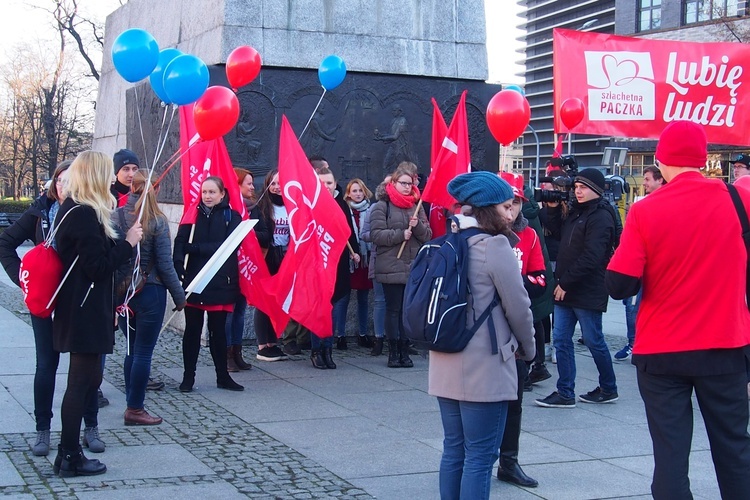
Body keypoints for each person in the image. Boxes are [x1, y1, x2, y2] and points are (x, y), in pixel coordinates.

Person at [607, 120, 750, 499]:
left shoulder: (645, 211)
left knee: (670, 456)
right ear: (703, 159)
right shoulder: (739, 200)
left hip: (662, 352)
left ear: (660, 159)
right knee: (735, 448)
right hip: (726, 345)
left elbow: (620, 284)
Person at [429, 171, 535, 500]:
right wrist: (529, 349)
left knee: (454, 450)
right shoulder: (495, 246)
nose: (510, 212)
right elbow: (519, 307)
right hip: (485, 366)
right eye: (505, 206)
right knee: (479, 457)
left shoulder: (447, 241)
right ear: (488, 208)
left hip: (445, 357)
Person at [52, 150, 143, 477]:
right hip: (83, 311)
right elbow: (97, 267)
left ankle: (67, 454)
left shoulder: (75, 208)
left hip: (82, 307)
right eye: (107, 173)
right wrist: (129, 242)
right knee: (80, 384)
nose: (111, 179)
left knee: (85, 381)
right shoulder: (84, 213)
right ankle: (71, 456)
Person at [0, 160, 73, 456]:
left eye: (70, 181)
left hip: (76, 299)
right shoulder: (39, 211)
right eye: (59, 181)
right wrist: (24, 281)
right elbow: (5, 243)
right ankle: (43, 429)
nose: (63, 186)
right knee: (46, 364)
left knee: (85, 366)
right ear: (53, 184)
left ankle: (89, 426)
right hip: (45, 299)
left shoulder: (88, 210)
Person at [535, 168, 618, 408]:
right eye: (576, 187)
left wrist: (565, 282)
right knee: (561, 340)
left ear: (596, 190)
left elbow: (593, 256)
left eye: (583, 187)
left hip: (586, 288)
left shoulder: (602, 216)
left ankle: (608, 387)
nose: (578, 191)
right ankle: (565, 392)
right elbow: (557, 233)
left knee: (594, 340)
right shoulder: (575, 211)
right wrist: (551, 208)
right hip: (566, 287)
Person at [113, 170, 186, 425]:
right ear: (154, 189)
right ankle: (135, 408)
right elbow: (165, 266)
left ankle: (131, 402)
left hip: (122, 295)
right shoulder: (156, 220)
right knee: (143, 353)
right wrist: (180, 297)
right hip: (150, 293)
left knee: (131, 350)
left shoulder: (115, 217)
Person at [495, 172, 547, 488]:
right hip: (484, 336)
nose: (510, 210)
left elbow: (541, 280)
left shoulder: (528, 236)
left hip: (515, 332)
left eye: (515, 203)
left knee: (514, 403)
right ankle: (478, 460)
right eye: (506, 203)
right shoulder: (481, 235)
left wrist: (513, 286)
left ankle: (509, 462)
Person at [173, 176, 244, 392]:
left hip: (220, 281)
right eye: (204, 192)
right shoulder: (192, 214)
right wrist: (177, 262)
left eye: (212, 192)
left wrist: (193, 248)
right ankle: (188, 377)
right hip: (194, 280)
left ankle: (222, 376)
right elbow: (180, 242)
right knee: (192, 332)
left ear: (222, 194)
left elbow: (225, 246)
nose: (207, 196)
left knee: (218, 332)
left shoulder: (232, 216)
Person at [370, 162, 432, 368]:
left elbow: (428, 236)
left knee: (407, 311)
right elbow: (376, 235)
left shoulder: (417, 206)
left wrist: (417, 227)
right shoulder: (382, 206)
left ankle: (406, 350)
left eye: (410, 184)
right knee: (393, 309)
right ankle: (393, 351)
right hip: (391, 265)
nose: (407, 187)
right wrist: (399, 235)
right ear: (394, 183)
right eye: (403, 183)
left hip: (412, 266)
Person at [614, 164, 665, 362]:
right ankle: (633, 342)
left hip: (655, 267)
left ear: (660, 180)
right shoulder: (643, 204)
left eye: (647, 179)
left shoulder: (656, 206)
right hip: (641, 266)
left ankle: (640, 343)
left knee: (636, 307)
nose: (644, 183)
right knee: (631, 305)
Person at [310, 164, 360, 369]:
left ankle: (328, 350)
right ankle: (316, 351)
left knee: (333, 311)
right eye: (322, 183)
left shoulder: (341, 205)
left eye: (329, 183)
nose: (326, 186)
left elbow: (349, 233)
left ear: (335, 184)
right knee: (318, 310)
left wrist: (354, 252)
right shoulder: (311, 205)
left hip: (338, 265)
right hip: (316, 264)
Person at [254, 169, 290, 361]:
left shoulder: (292, 205)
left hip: (285, 257)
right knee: (263, 301)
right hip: (267, 257)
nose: (277, 187)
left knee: (278, 301)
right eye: (273, 183)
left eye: (280, 183)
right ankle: (262, 345)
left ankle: (273, 343)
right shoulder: (262, 206)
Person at [224, 168, 256, 371]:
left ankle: (237, 351)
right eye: (248, 183)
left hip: (246, 267)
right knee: (229, 313)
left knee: (241, 312)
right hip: (229, 269)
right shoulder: (227, 210)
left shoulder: (254, 208)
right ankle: (226, 354)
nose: (252, 187)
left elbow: (263, 232)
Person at [338, 178, 374, 349]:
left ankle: (363, 334)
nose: (358, 194)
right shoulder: (344, 210)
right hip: (349, 259)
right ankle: (340, 335)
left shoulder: (371, 210)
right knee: (343, 298)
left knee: (363, 298)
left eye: (360, 191)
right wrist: (352, 253)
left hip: (365, 260)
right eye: (354, 191)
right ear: (348, 194)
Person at [359, 175, 391, 356]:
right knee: (380, 300)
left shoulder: (407, 208)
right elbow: (365, 234)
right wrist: (385, 235)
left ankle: (401, 339)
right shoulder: (374, 209)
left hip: (401, 262)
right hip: (379, 258)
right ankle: (379, 338)